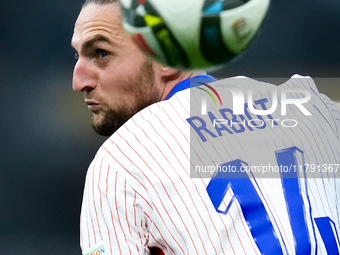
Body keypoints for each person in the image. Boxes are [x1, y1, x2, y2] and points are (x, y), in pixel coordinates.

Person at [71, 0, 340, 254]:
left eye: (101, 54)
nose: (78, 81)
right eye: (77, 56)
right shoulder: (317, 110)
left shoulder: (121, 159)